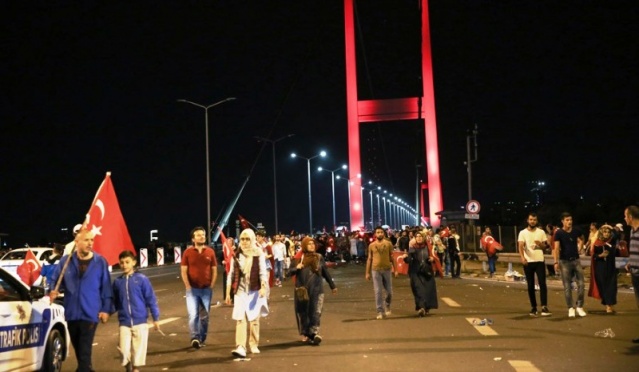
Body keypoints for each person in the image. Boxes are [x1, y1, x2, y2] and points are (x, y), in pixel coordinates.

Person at [50, 228, 113, 372]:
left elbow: (106, 288)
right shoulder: (66, 261)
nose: (90, 243)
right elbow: (55, 280)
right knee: (79, 351)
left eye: (92, 240)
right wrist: (53, 290)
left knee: (84, 350)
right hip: (72, 313)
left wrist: (105, 309)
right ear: (76, 242)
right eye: (86, 240)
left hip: (90, 313)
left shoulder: (100, 262)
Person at [113, 250, 161, 372]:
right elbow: (114, 302)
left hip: (141, 321)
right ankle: (127, 366)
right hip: (124, 321)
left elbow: (151, 298)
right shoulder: (117, 282)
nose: (124, 265)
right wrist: (106, 312)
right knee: (123, 349)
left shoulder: (142, 279)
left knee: (138, 349)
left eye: (127, 262)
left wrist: (156, 318)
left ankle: (135, 369)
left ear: (134, 262)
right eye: (122, 262)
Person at [225, 228, 269, 358]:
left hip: (255, 290)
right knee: (240, 318)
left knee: (254, 319)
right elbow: (231, 274)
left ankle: (253, 343)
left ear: (252, 239)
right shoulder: (236, 254)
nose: (244, 241)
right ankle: (240, 346)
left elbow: (262, 272)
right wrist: (228, 293)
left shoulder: (258, 253)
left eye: (247, 239)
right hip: (240, 291)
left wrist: (263, 287)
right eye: (242, 239)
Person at [290, 236, 337, 344]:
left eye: (313, 244)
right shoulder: (298, 258)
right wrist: (296, 268)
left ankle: (314, 333)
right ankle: (307, 333)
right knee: (304, 313)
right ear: (304, 246)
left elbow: (325, 272)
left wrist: (332, 286)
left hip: (317, 289)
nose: (312, 246)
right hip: (302, 291)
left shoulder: (319, 257)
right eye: (309, 244)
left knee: (316, 312)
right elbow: (289, 272)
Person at [180, 226, 218, 349]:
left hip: (206, 289)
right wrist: (187, 286)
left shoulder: (210, 252)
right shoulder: (188, 252)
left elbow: (214, 270)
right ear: (193, 239)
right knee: (193, 315)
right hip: (192, 289)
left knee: (205, 317)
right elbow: (184, 270)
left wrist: (211, 285)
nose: (202, 236)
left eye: (203, 234)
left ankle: (201, 338)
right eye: (198, 235)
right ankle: (194, 338)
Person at [517, 213, 552, 317]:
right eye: (531, 219)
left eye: (534, 220)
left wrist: (540, 244)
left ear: (537, 221)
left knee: (542, 283)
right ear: (528, 220)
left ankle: (544, 306)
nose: (533, 221)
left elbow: (546, 247)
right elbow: (520, 246)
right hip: (528, 261)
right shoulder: (522, 232)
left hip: (539, 260)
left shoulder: (541, 232)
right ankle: (533, 307)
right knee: (530, 285)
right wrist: (522, 257)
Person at [553, 212, 587, 318]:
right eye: (567, 220)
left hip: (576, 260)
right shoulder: (559, 233)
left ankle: (579, 306)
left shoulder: (576, 230)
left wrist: (581, 247)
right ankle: (570, 308)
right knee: (567, 286)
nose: (569, 222)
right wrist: (555, 262)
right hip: (564, 262)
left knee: (581, 284)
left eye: (571, 219)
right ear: (562, 221)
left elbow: (582, 238)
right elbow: (556, 248)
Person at [401, 231, 438, 316]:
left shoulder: (428, 247)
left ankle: (426, 307)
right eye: (417, 236)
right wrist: (405, 258)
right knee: (418, 290)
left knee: (428, 290)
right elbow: (409, 260)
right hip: (415, 272)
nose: (419, 238)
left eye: (420, 236)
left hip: (427, 271)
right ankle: (421, 307)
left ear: (424, 237)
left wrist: (432, 259)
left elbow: (435, 257)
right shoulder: (412, 248)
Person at [365, 226, 397, 319]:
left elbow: (392, 257)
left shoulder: (388, 244)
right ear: (375, 234)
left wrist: (396, 270)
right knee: (378, 291)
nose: (380, 234)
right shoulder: (371, 245)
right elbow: (369, 259)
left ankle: (387, 305)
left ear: (384, 233)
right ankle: (380, 311)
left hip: (387, 269)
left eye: (381, 232)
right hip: (376, 270)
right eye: (378, 232)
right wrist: (367, 273)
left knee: (389, 292)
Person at [588, 224, 618, 314]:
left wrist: (609, 226)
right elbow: (594, 256)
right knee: (604, 287)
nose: (607, 234)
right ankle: (608, 306)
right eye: (605, 232)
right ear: (601, 233)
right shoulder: (597, 243)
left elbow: (616, 234)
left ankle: (610, 305)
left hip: (611, 268)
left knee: (612, 287)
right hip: (600, 269)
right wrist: (600, 256)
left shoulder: (612, 241)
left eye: (608, 232)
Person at [623, 205, 639, 343]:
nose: (624, 219)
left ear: (630, 217)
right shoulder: (632, 231)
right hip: (634, 271)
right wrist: (630, 262)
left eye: (625, 216)